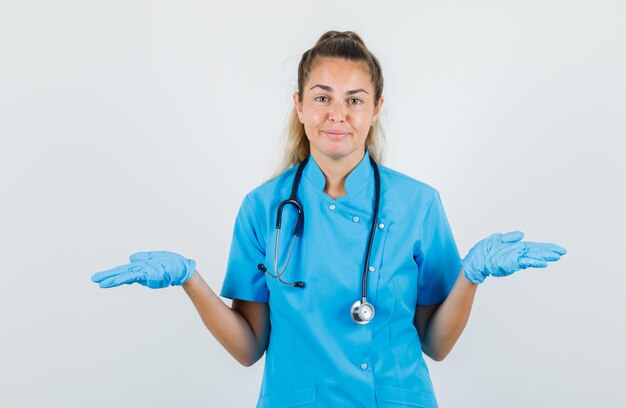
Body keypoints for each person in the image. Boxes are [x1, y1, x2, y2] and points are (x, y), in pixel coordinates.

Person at [91, 30, 567, 407]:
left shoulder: (418, 204)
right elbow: (249, 348)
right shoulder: (263, 208)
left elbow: (435, 345)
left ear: (376, 109)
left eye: (355, 99)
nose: (337, 114)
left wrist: (471, 276)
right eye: (322, 97)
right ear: (299, 105)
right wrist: (189, 279)